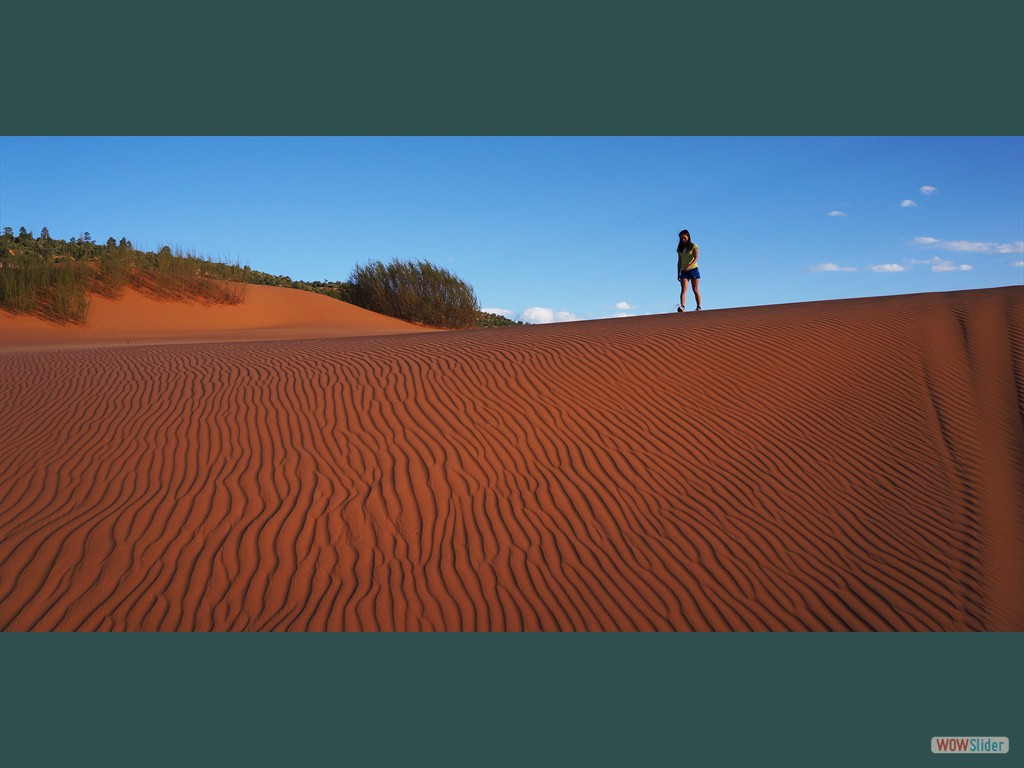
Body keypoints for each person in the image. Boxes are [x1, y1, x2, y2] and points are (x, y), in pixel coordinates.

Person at [676, 229, 701, 312]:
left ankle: (699, 306)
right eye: (681, 238)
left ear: (688, 237)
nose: (683, 240)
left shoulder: (694, 246)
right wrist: (678, 272)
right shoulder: (679, 248)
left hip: (693, 269)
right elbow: (679, 261)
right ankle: (682, 306)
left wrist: (690, 266)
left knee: (695, 289)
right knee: (684, 289)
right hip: (683, 270)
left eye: (684, 238)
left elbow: (696, 257)